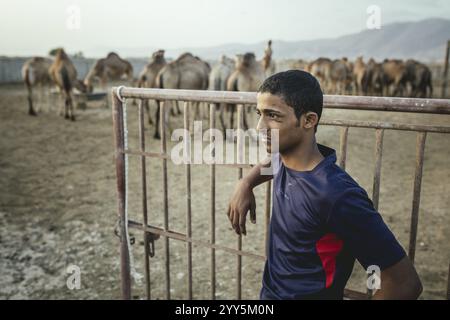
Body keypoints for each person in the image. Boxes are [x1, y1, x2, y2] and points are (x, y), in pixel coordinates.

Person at [226, 70, 422, 300]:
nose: (259, 127)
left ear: (308, 120)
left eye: (273, 116)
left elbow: (404, 283)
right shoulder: (285, 158)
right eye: (259, 113)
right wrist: (246, 182)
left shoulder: (336, 195)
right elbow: (272, 162)